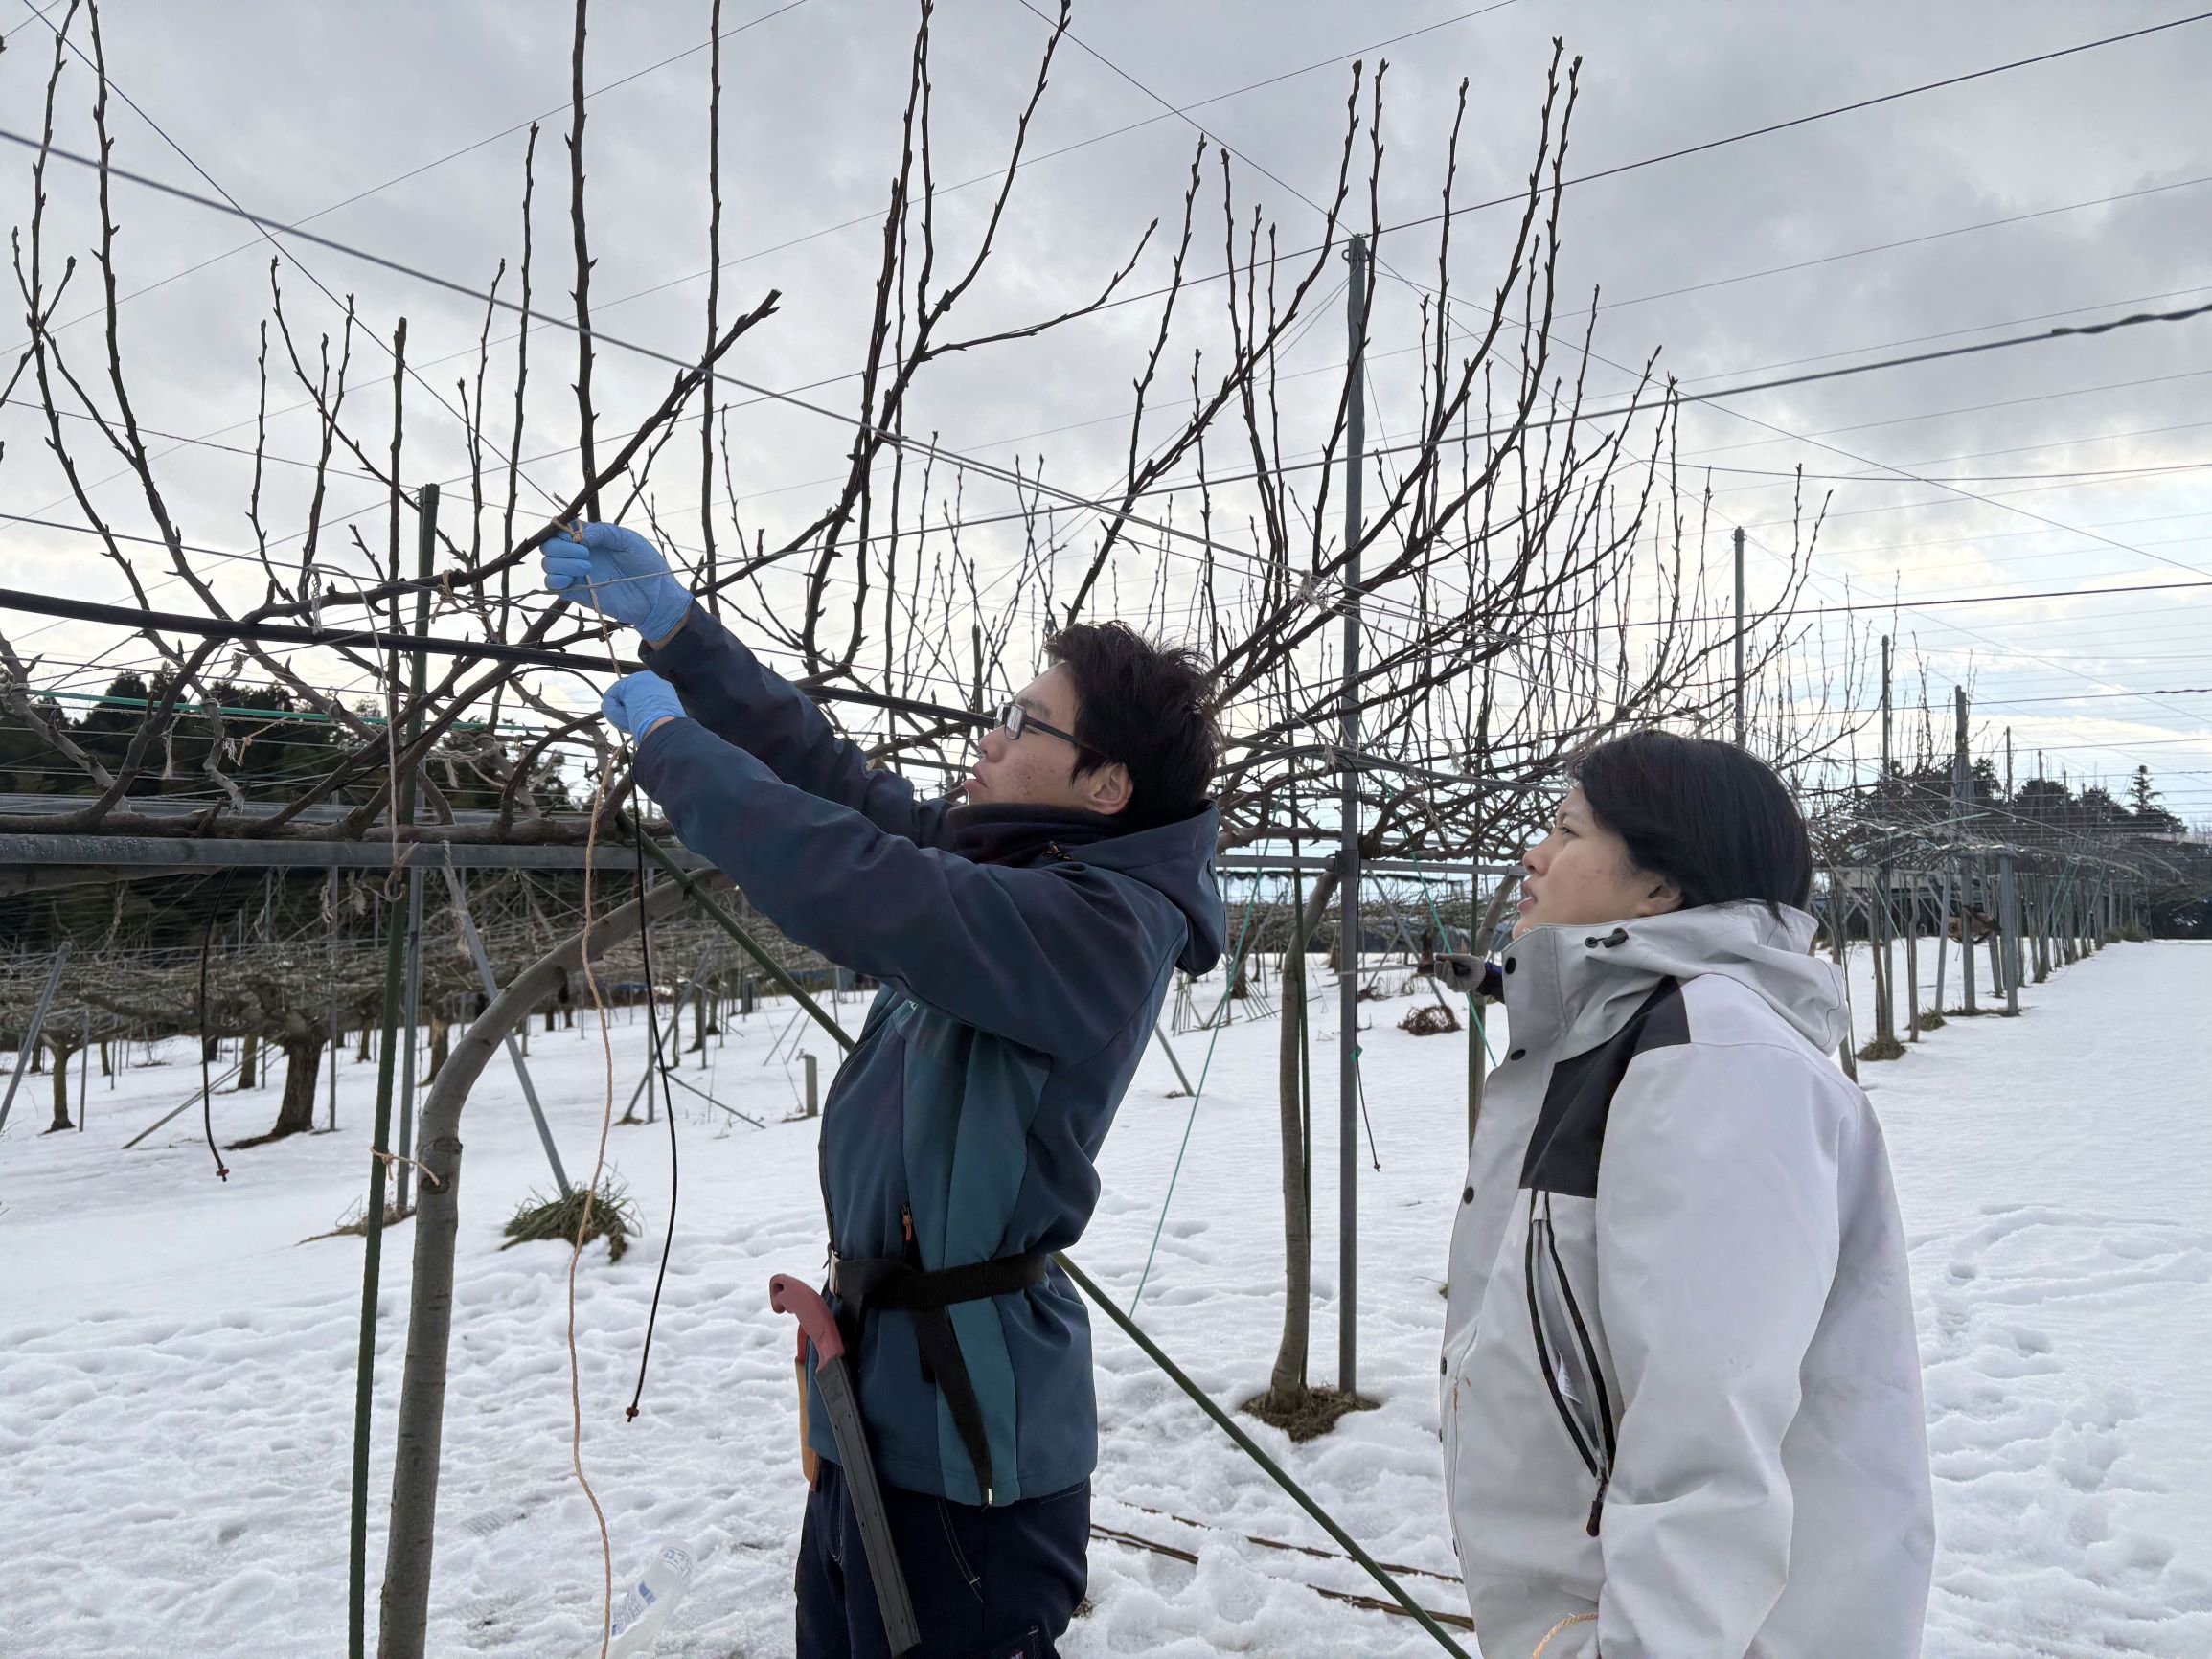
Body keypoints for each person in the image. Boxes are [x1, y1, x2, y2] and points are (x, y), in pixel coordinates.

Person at [543, 522, 1225, 1659]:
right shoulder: (1018, 871)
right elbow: (842, 792)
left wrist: (672, 753)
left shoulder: (1101, 927)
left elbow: (866, 884)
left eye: (1023, 723)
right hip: (887, 1398)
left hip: (971, 1443)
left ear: (1106, 783)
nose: (988, 739)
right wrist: (682, 640)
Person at [1433, 732, 1933, 1659]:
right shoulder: (1625, 1033)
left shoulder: (1710, 1059)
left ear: (1659, 888)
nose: (1531, 854)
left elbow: (1708, 1419)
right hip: (1597, 1608)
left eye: (1563, 829)